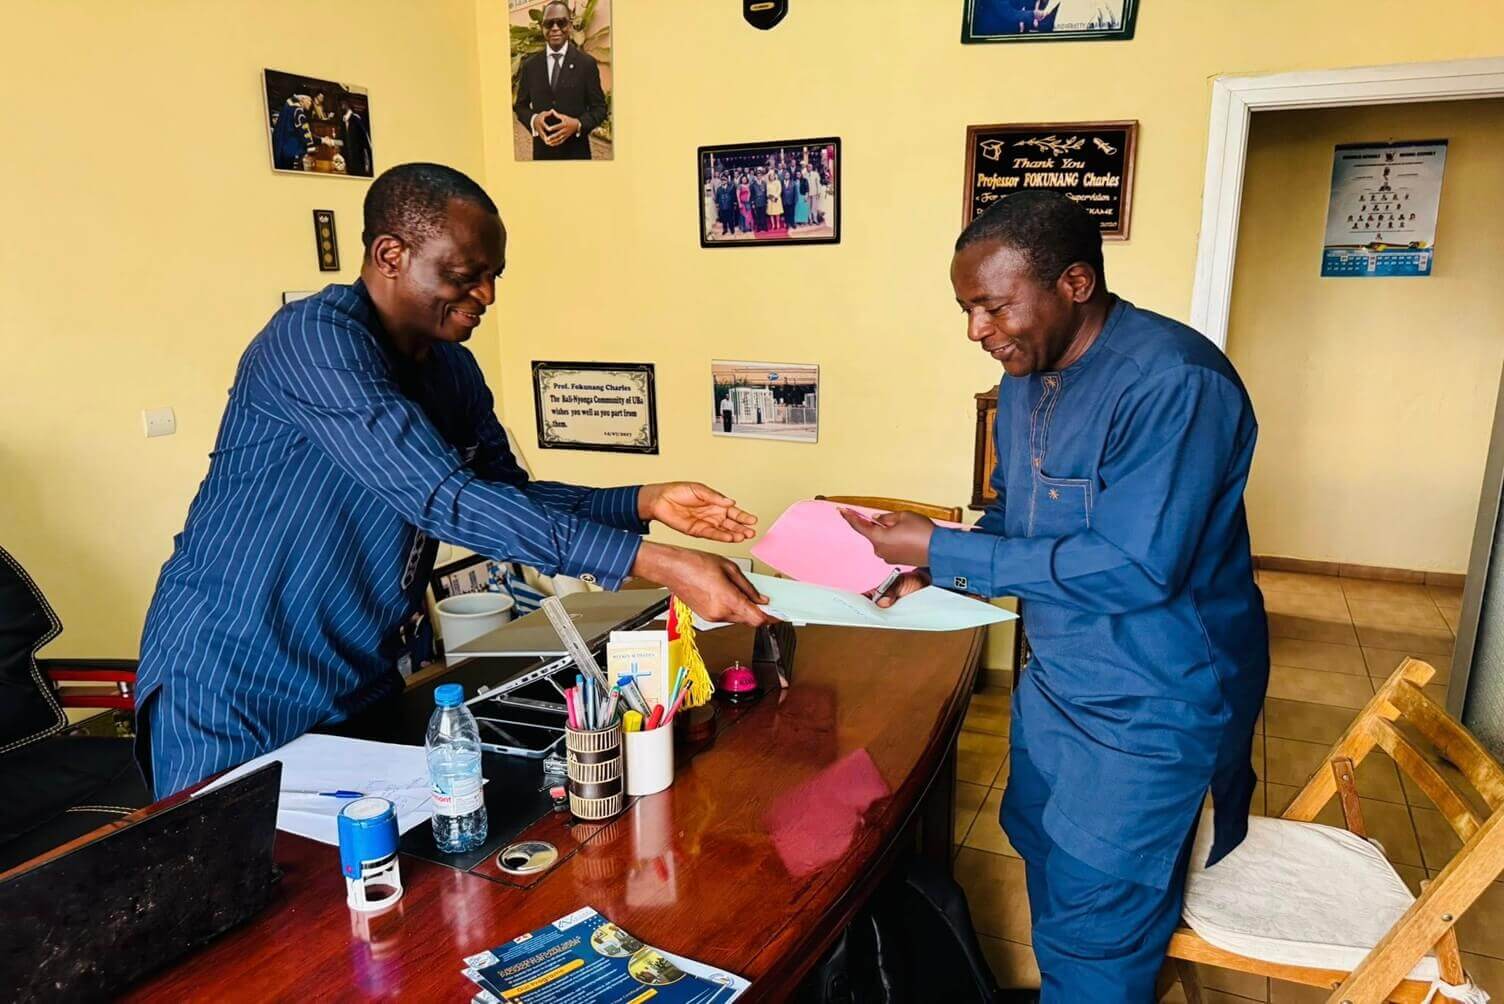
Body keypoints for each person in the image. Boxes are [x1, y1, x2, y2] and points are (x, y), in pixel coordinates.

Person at [136, 163, 773, 800]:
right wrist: (654, 561)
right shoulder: (312, 342)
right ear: (391, 254)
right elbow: (442, 497)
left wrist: (643, 502)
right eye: (466, 275)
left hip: (355, 674)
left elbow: (502, 497)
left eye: (494, 276)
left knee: (370, 881)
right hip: (235, 675)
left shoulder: (453, 371)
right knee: (229, 885)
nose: (488, 295)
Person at [843, 191, 1268, 1002]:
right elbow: (1019, 513)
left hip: (1149, 705)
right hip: (1058, 687)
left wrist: (940, 545)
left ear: (1075, 283)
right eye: (967, 309)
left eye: (994, 306)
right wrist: (938, 564)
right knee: (1042, 850)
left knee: (1098, 932)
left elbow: (1139, 568)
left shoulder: (1175, 382)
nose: (977, 330)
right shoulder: (1026, 376)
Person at [510, 1, 607, 161]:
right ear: (542, 27)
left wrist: (577, 124)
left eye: (561, 22)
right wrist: (534, 121)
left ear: (569, 26)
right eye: (549, 23)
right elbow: (520, 106)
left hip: (577, 155)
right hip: (542, 156)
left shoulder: (586, 64)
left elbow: (600, 108)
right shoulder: (530, 65)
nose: (555, 28)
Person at [271, 93, 314, 170]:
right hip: (291, 152)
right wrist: (313, 144)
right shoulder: (298, 112)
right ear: (302, 99)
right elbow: (305, 133)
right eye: (309, 100)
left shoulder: (287, 109)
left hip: (280, 149)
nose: (310, 103)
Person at [341, 97, 373, 177]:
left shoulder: (356, 119)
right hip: (349, 156)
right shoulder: (343, 120)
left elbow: (365, 138)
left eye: (342, 103)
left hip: (358, 157)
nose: (341, 106)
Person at [765, 169, 783, 234]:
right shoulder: (768, 183)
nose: (771, 177)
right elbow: (767, 192)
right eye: (770, 176)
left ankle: (778, 223)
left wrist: (775, 197)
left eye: (773, 176)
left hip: (777, 199)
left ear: (774, 176)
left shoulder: (778, 182)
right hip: (770, 200)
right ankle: (773, 225)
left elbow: (779, 190)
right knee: (771, 213)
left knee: (777, 213)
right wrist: (770, 197)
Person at [750, 169, 768, 234]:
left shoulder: (764, 183)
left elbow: (766, 193)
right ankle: (759, 228)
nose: (759, 176)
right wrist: (752, 203)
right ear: (756, 176)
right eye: (758, 175)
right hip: (756, 202)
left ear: (761, 176)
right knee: (758, 216)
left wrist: (766, 202)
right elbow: (752, 195)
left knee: (763, 215)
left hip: (763, 201)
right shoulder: (753, 184)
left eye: (760, 175)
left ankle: (764, 227)